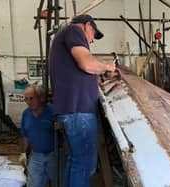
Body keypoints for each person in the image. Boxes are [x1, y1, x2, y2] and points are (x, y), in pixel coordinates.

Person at [49, 14, 116, 187]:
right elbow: (87, 64)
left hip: (73, 110)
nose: (92, 41)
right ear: (87, 26)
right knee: (84, 165)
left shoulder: (65, 37)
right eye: (93, 34)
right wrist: (107, 65)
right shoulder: (73, 30)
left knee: (76, 162)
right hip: (78, 111)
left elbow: (83, 71)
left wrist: (99, 75)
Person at [21, 84, 55, 187]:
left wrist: (60, 125)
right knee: (33, 184)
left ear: (40, 97)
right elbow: (25, 135)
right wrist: (23, 153)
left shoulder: (52, 111)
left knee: (59, 182)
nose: (28, 102)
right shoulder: (26, 114)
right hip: (36, 156)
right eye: (26, 99)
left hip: (54, 155)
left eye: (31, 98)